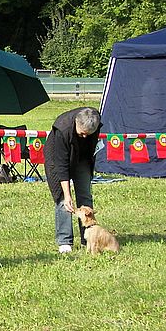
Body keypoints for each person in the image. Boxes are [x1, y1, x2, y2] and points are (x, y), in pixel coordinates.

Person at [43, 107, 102, 253]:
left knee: (85, 196)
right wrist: (67, 194)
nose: (84, 137)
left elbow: (91, 146)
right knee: (63, 199)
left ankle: (88, 237)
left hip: (82, 157)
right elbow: (61, 165)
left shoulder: (94, 119)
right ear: (76, 123)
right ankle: (65, 241)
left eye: (88, 134)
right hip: (57, 158)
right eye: (82, 133)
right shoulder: (62, 129)